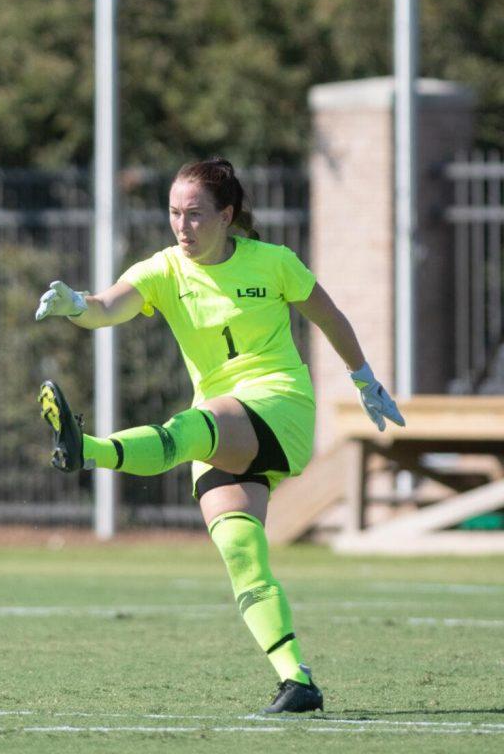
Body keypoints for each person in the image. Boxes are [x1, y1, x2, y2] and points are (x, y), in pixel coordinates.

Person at [33, 157, 405, 714]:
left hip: (279, 406)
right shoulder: (164, 269)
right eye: (174, 214)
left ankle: (85, 451)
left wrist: (364, 378)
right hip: (222, 423)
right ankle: (296, 680)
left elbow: (329, 316)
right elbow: (108, 306)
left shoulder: (274, 263)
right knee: (239, 549)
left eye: (196, 215)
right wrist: (75, 306)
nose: (183, 227)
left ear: (227, 216)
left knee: (190, 429)